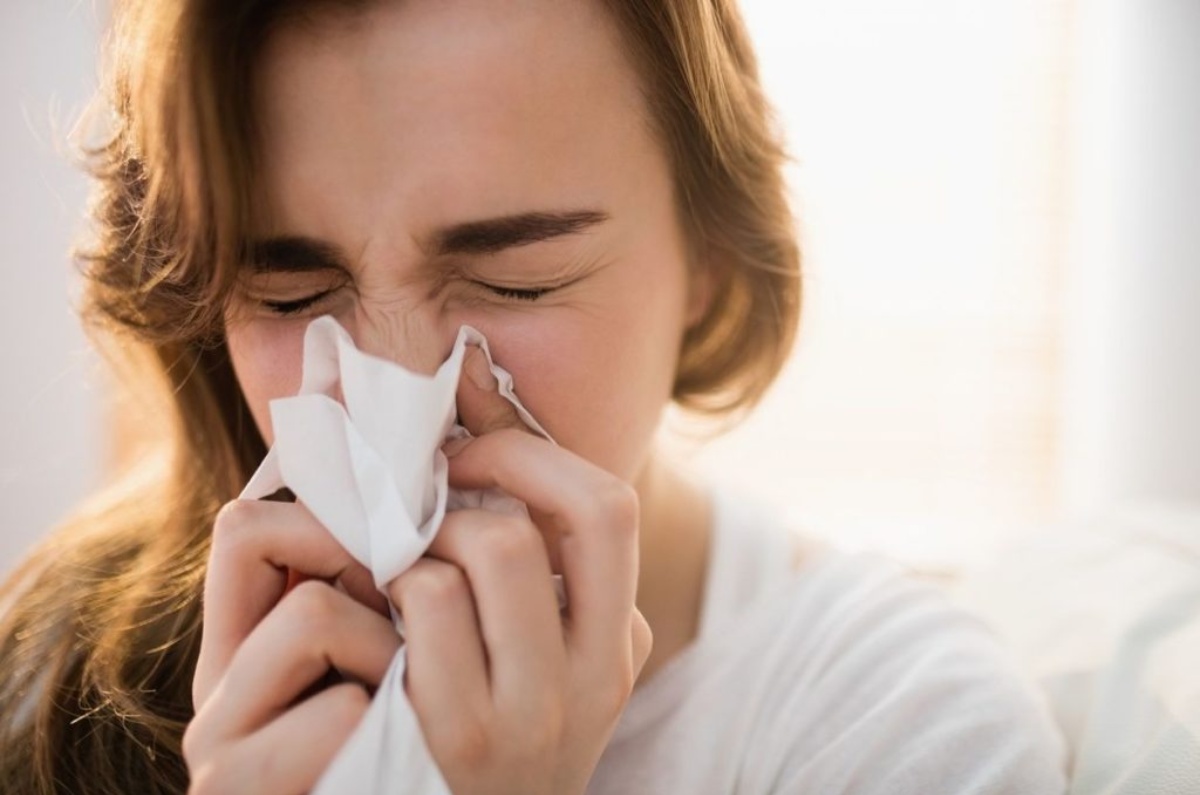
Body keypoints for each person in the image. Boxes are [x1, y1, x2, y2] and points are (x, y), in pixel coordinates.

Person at [0, 1, 1066, 793]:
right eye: (291, 292)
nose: (407, 392)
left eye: (517, 282)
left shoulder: (900, 729)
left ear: (707, 259)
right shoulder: (57, 681)